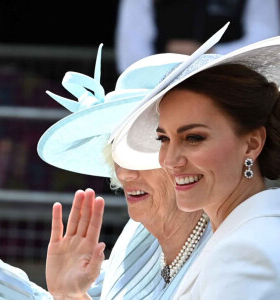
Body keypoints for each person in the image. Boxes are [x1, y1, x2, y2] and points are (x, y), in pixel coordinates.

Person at [0, 45, 213, 299]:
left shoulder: (229, 249)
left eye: (140, 150)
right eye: (117, 149)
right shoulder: (138, 235)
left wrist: (69, 295)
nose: (123, 174)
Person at [110, 24, 280, 299]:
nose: (170, 160)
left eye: (193, 138)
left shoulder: (245, 252)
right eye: (163, 139)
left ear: (251, 144)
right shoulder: (242, 233)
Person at [115, 0, 280, 73]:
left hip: (230, 84)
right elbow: (131, 57)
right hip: (160, 88)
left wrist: (207, 53)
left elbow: (266, 43)